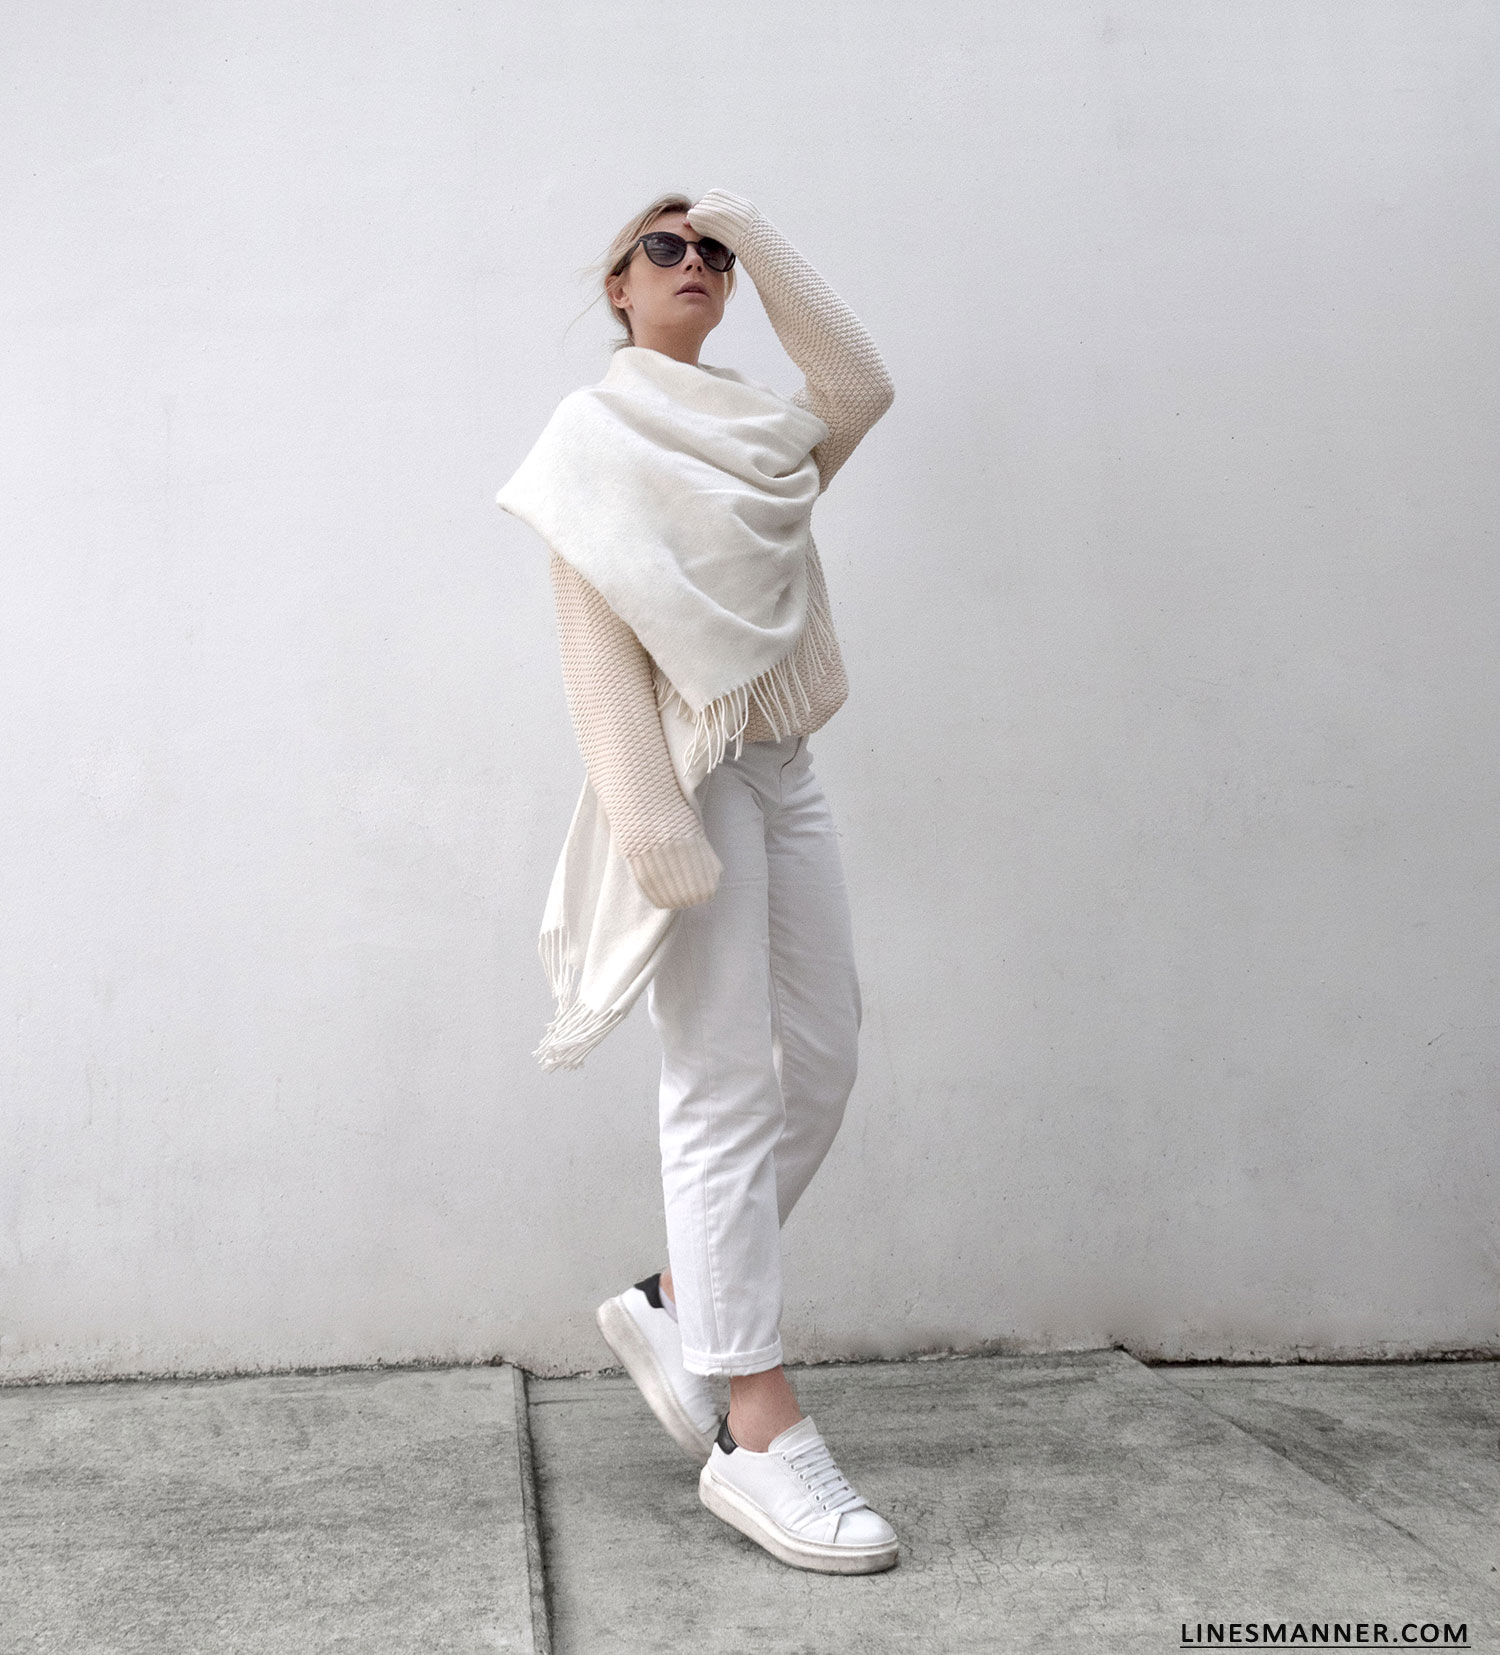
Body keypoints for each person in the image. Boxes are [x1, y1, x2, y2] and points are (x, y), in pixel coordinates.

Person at [497, 188, 895, 1574]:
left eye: (710, 253)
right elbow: (595, 647)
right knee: (722, 1083)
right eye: (662, 247)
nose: (693, 265)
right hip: (692, 771)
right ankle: (757, 1430)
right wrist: (652, 823)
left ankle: (681, 1298)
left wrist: (760, 236)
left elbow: (861, 384)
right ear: (617, 284)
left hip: (785, 765)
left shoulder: (762, 438)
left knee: (824, 1059)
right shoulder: (591, 436)